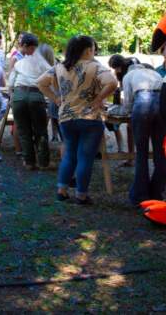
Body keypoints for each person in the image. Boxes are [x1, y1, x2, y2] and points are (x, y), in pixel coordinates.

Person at [37, 35, 117, 205]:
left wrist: (56, 98)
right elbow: (112, 83)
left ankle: (62, 191)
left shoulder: (60, 67)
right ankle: (81, 195)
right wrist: (98, 99)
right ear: (88, 50)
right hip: (90, 118)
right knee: (85, 157)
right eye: (93, 48)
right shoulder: (95, 66)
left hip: (66, 117)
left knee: (70, 155)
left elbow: (40, 83)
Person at [121, 57, 166, 205]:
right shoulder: (154, 73)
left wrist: (125, 111)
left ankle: (140, 195)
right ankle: (157, 192)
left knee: (141, 152)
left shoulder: (128, 76)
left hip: (142, 104)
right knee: (160, 152)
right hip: (162, 105)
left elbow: (128, 103)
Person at [9, 34, 52, 169]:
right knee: (40, 130)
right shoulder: (44, 63)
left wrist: (12, 96)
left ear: (26, 47)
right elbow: (51, 82)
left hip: (19, 95)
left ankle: (28, 162)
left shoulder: (19, 63)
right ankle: (44, 162)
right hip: (36, 95)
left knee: (23, 130)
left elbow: (10, 83)